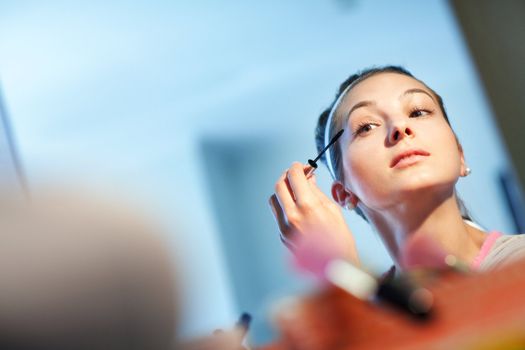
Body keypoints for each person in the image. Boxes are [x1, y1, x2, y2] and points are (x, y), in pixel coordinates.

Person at [269, 65, 525, 274]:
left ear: (460, 155)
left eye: (418, 111)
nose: (400, 127)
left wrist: (346, 273)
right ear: (344, 193)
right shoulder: (368, 313)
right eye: (367, 126)